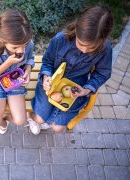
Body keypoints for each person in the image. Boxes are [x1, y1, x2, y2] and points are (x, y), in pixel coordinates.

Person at [27, 5, 114, 134]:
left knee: (57, 128)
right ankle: (32, 118)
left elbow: (102, 73)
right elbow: (47, 61)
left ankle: (48, 120)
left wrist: (86, 89)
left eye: (91, 49)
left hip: (77, 86)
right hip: (53, 81)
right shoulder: (60, 40)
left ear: (102, 40)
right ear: (77, 30)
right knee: (40, 119)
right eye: (81, 44)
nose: (84, 50)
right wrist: (46, 77)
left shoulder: (105, 50)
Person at [0, 9, 35, 134]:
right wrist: (8, 62)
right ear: (2, 40)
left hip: (16, 80)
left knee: (20, 120)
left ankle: (6, 117)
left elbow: (30, 59)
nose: (21, 51)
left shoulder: (28, 43)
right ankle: (2, 122)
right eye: (15, 47)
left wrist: (28, 70)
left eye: (24, 45)